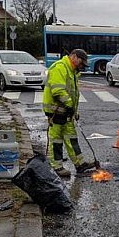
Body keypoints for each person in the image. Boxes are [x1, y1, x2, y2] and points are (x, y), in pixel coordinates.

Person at [43, 49, 96, 178]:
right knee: (56, 140)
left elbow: (72, 93)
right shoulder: (60, 68)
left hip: (67, 112)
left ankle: (80, 164)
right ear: (73, 57)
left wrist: (74, 111)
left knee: (72, 138)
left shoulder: (72, 71)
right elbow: (58, 91)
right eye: (81, 63)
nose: (82, 66)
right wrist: (70, 106)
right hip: (56, 112)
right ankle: (57, 167)